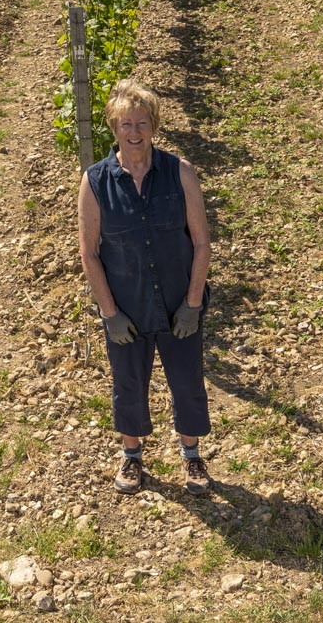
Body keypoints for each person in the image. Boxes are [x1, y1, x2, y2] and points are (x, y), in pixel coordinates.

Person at [76, 79, 213, 496]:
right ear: (113, 128)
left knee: (187, 380)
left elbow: (202, 242)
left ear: (153, 125)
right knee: (128, 382)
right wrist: (110, 313)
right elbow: (90, 254)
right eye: (124, 124)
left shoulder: (180, 173)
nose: (133, 131)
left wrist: (192, 304)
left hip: (177, 303)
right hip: (128, 307)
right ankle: (132, 456)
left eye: (141, 122)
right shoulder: (96, 181)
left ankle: (191, 456)